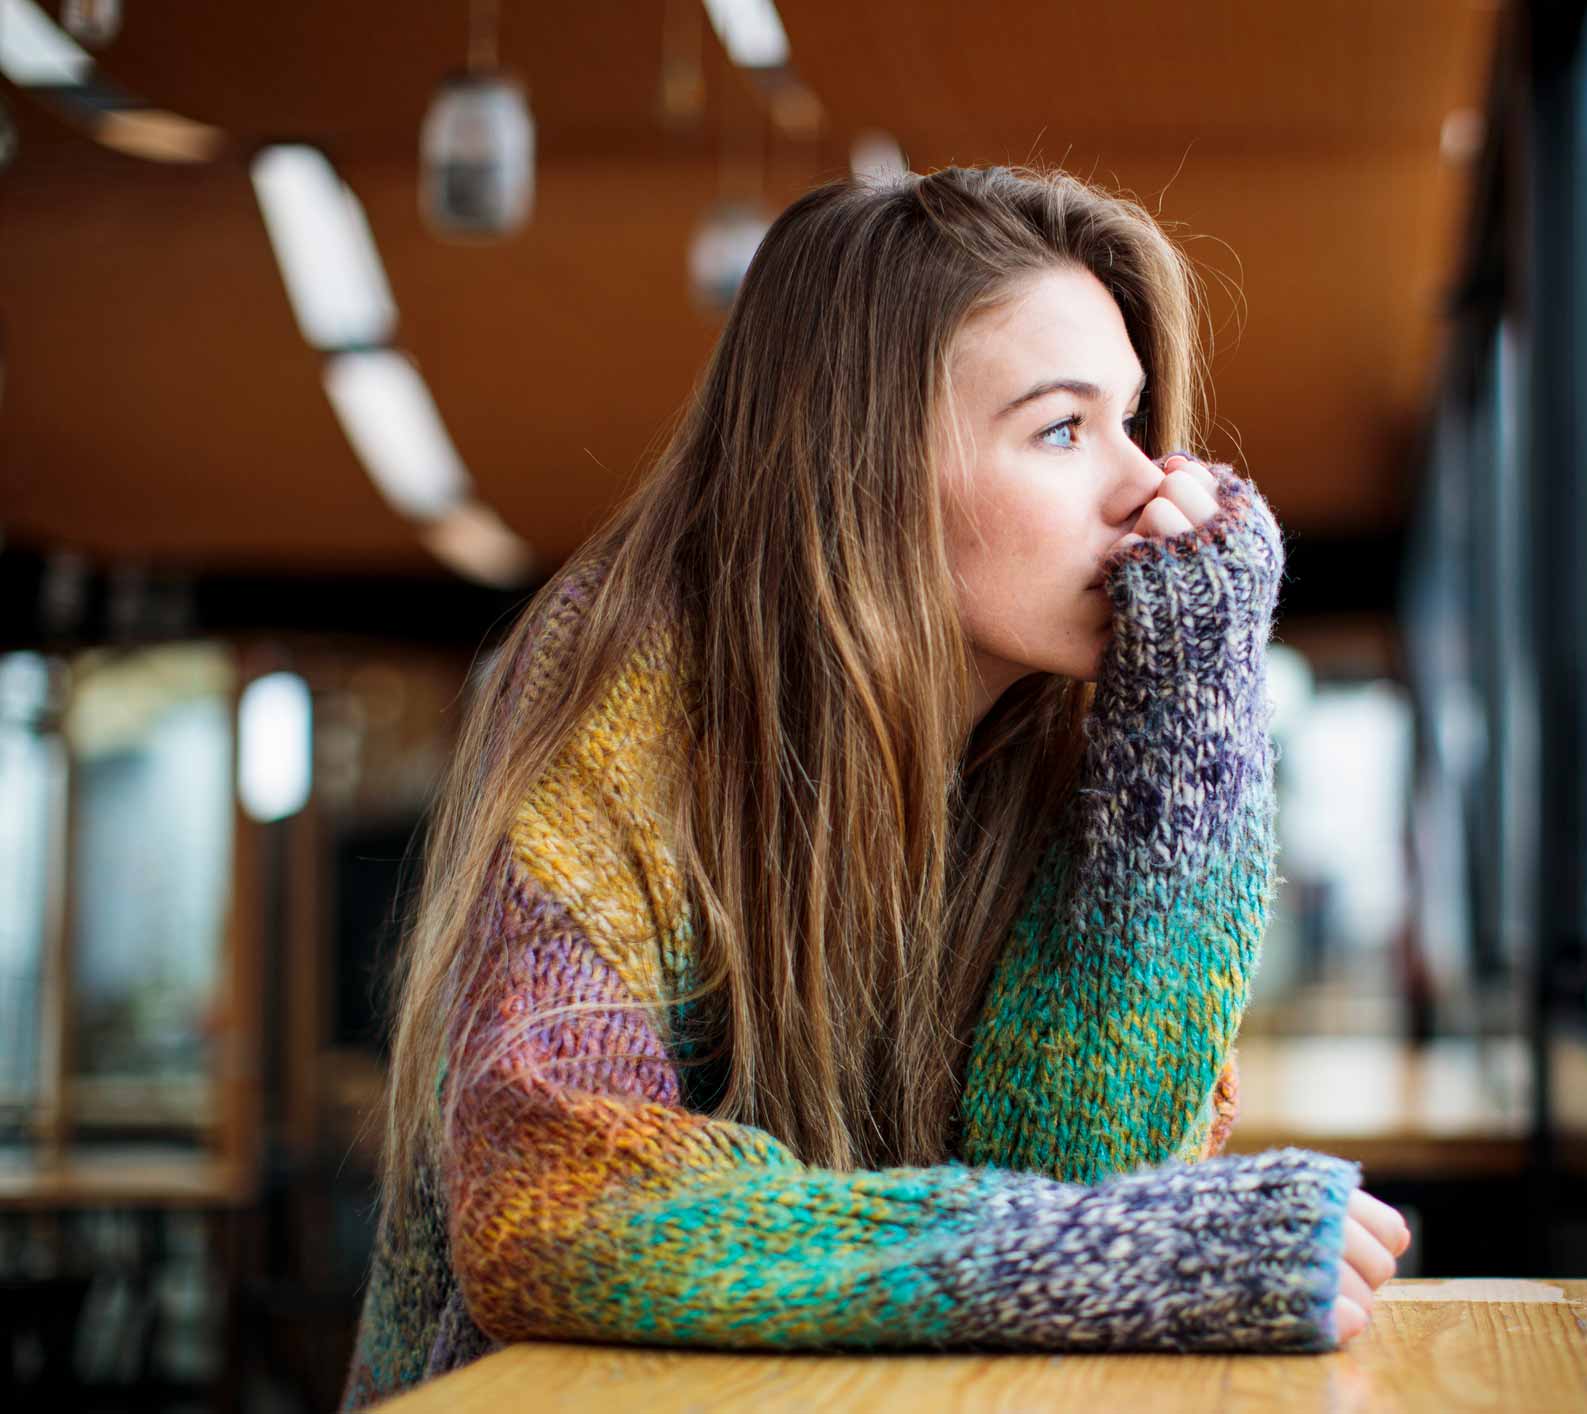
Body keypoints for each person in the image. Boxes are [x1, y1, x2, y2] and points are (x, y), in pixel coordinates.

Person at [338, 163, 1408, 1411]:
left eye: (1129, 420)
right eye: (1062, 431)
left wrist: (1190, 702)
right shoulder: (625, 694)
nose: (1145, 487)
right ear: (864, 470)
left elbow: (1082, 1173)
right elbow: (559, 1203)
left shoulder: (1059, 741)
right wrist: (1148, 1251)